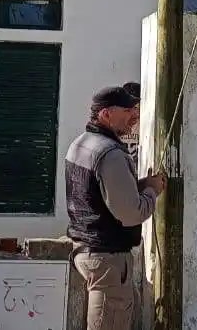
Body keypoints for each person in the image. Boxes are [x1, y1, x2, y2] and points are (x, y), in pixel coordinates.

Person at [65, 85, 166, 330]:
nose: (135, 116)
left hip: (86, 252)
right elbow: (131, 214)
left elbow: (98, 195)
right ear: (106, 114)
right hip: (107, 260)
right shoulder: (110, 154)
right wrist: (153, 191)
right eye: (128, 110)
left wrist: (141, 185)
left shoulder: (80, 144)